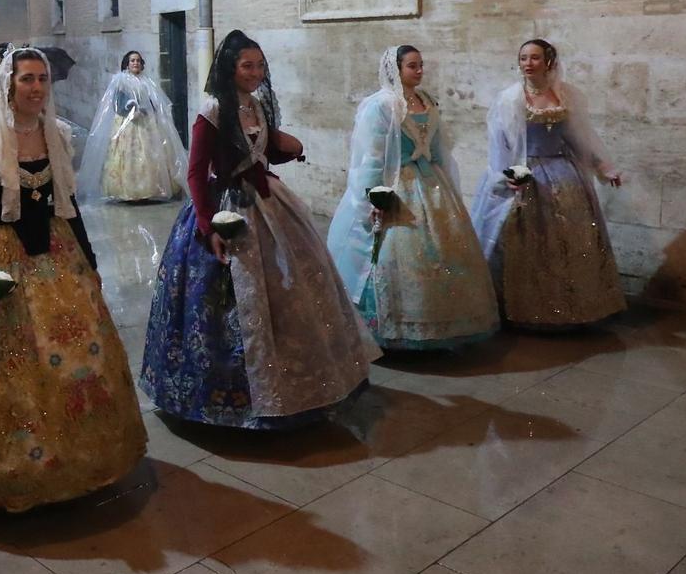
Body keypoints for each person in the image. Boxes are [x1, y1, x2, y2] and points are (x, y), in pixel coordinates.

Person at [0, 47, 146, 510]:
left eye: (42, 79)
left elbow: (69, 204)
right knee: (8, 364)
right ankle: (10, 465)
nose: (37, 87)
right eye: (27, 79)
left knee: (74, 353)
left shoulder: (57, 135)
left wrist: (90, 261)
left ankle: (76, 455)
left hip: (57, 253)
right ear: (9, 84)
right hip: (1, 256)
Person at [142, 30, 378, 428]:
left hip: (268, 200)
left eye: (259, 65)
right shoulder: (213, 109)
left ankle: (297, 382)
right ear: (229, 68)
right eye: (246, 65)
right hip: (228, 208)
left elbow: (261, 155)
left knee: (292, 285)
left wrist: (290, 149)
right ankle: (232, 400)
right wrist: (207, 225)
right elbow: (197, 173)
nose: (254, 73)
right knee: (229, 301)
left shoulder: (256, 105)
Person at [327, 46, 499, 350]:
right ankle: (390, 325)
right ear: (396, 68)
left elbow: (440, 147)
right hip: (397, 184)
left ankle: (443, 323)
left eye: (421, 65)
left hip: (431, 182)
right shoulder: (380, 105)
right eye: (412, 66)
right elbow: (371, 157)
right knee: (394, 250)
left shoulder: (426, 100)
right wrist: (371, 199)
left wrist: (447, 182)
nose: (419, 71)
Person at [471, 38, 626, 327]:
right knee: (522, 241)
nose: (528, 64)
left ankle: (569, 305)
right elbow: (500, 144)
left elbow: (579, 137)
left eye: (535, 58)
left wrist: (603, 167)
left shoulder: (566, 96)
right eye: (523, 58)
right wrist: (505, 177)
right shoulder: (510, 98)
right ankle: (516, 308)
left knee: (567, 241)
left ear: (548, 62)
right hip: (524, 172)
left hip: (564, 173)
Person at [78, 51, 185, 203]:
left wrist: (149, 111)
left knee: (148, 156)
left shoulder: (147, 82)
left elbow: (153, 102)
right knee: (128, 156)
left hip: (145, 124)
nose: (136, 63)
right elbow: (117, 104)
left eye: (138, 61)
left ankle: (149, 189)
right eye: (132, 60)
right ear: (127, 64)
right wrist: (130, 109)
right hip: (127, 125)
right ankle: (128, 190)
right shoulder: (120, 81)